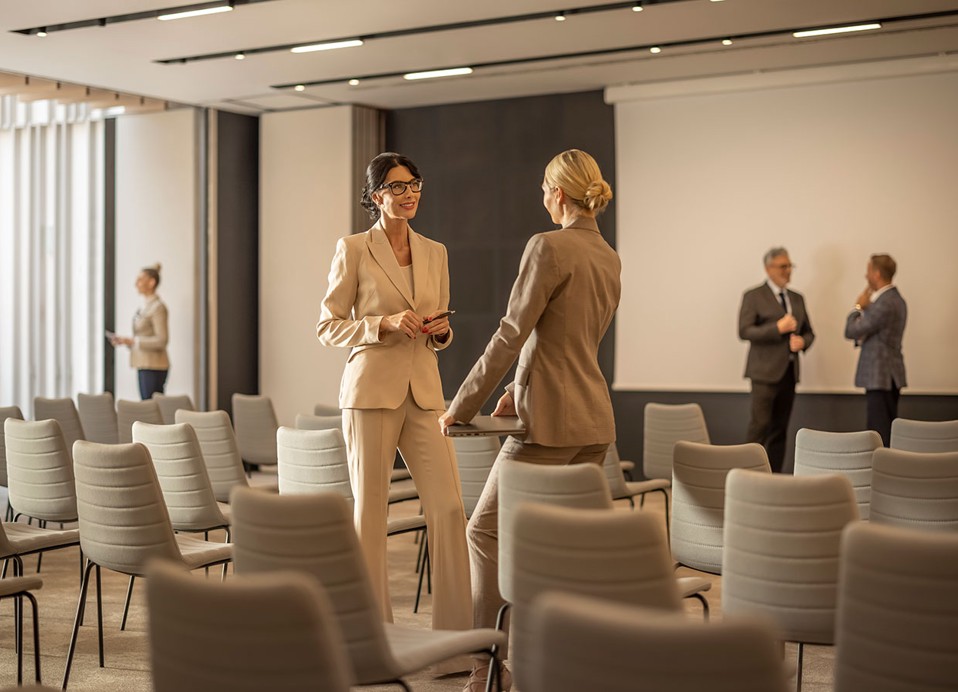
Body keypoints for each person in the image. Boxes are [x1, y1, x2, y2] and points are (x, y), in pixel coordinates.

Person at [439, 149, 621, 692]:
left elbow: (512, 333)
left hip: (550, 428)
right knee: (560, 547)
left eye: (544, 189)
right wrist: (519, 392)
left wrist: (462, 405)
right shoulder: (608, 255)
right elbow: (565, 338)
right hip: (593, 422)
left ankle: (486, 667)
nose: (542, 198)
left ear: (558, 194)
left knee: (484, 530)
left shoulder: (548, 245)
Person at [316, 152, 471, 636]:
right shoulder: (354, 248)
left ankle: (455, 637)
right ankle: (371, 635)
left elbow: (439, 326)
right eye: (398, 187)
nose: (410, 194)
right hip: (369, 392)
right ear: (376, 195)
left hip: (425, 393)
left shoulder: (436, 251)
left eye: (415, 185)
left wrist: (442, 332)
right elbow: (327, 327)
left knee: (448, 508)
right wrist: (380, 324)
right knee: (370, 512)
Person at [738, 248, 815, 473]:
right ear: (768, 268)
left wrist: (803, 342)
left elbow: (810, 332)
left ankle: (774, 480)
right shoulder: (753, 295)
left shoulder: (797, 298)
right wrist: (776, 328)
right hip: (763, 373)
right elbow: (744, 331)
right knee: (759, 427)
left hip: (789, 373)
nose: (788, 271)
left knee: (780, 430)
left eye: (790, 266)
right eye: (783, 266)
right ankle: (746, 477)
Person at [844, 254, 907, 446]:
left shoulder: (885, 302)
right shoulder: (893, 300)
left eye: (868, 271)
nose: (866, 276)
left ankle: (880, 473)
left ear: (877, 274)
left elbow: (851, 330)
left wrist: (858, 306)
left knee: (879, 433)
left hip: (881, 375)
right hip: (886, 375)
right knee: (882, 430)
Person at [110, 263, 169, 400]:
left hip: (154, 365)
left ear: (151, 282)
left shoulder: (158, 307)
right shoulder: (144, 307)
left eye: (140, 279)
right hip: (143, 363)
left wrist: (134, 341)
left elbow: (162, 340)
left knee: (151, 408)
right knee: (146, 406)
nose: (136, 283)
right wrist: (127, 341)